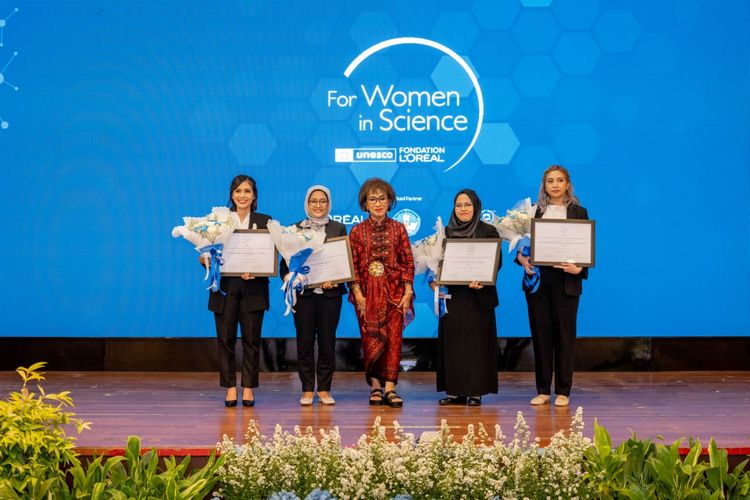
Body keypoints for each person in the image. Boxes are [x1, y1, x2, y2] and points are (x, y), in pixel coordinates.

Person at [516, 165, 589, 408]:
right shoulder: (533, 212)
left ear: (568, 184)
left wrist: (580, 269)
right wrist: (522, 259)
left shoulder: (579, 212)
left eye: (559, 180)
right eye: (550, 181)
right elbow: (522, 246)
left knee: (565, 338)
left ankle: (564, 391)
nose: (555, 185)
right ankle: (543, 390)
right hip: (539, 282)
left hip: (567, 282)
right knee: (541, 336)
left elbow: (585, 247)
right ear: (544, 186)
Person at [203, 174, 271, 408]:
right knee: (226, 339)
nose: (243, 195)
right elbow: (207, 253)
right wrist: (205, 259)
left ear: (254, 196)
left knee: (252, 340)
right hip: (225, 289)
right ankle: (230, 387)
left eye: (247, 191)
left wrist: (258, 269)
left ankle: (248, 387)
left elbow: (272, 255)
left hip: (254, 289)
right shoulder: (219, 220)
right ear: (232, 195)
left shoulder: (265, 221)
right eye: (238, 191)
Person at [349, 178, 415, 408]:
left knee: (394, 340)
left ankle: (390, 387)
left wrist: (408, 291)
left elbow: (407, 261)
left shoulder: (398, 228)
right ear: (365, 204)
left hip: (395, 294)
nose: (378, 203)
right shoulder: (356, 231)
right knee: (370, 339)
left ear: (389, 202)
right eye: (373, 199)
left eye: (382, 198)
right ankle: (376, 387)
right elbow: (353, 266)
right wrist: (358, 295)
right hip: (367, 295)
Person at [432, 189, 501, 407]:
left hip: (479, 297)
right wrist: (433, 279)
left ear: (476, 207)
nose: (463, 209)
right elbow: (435, 264)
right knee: (454, 345)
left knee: (477, 345)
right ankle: (454, 392)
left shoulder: (488, 231)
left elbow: (496, 262)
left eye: (468, 204)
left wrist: (481, 278)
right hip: (453, 298)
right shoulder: (445, 233)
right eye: (459, 205)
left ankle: (476, 391)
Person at [280, 185, 347, 406]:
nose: (318, 205)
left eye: (323, 201)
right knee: (305, 342)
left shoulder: (338, 228)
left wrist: (336, 279)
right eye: (313, 201)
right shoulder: (294, 229)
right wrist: (291, 279)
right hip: (304, 296)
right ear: (307, 203)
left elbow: (343, 260)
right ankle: (307, 388)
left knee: (328, 342)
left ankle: (325, 389)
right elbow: (285, 265)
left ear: (329, 204)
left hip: (330, 295)